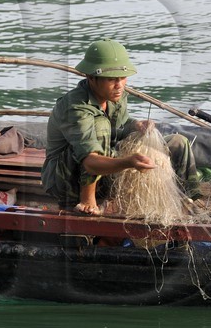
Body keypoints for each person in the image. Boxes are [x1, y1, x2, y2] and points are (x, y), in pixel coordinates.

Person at [42, 40, 195, 215]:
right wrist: (128, 162)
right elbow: (90, 161)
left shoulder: (116, 95)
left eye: (122, 78)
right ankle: (88, 200)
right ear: (91, 78)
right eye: (112, 79)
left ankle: (189, 203)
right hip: (67, 179)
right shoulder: (75, 107)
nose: (119, 85)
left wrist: (135, 125)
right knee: (100, 126)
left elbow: (119, 127)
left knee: (178, 142)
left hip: (106, 167)